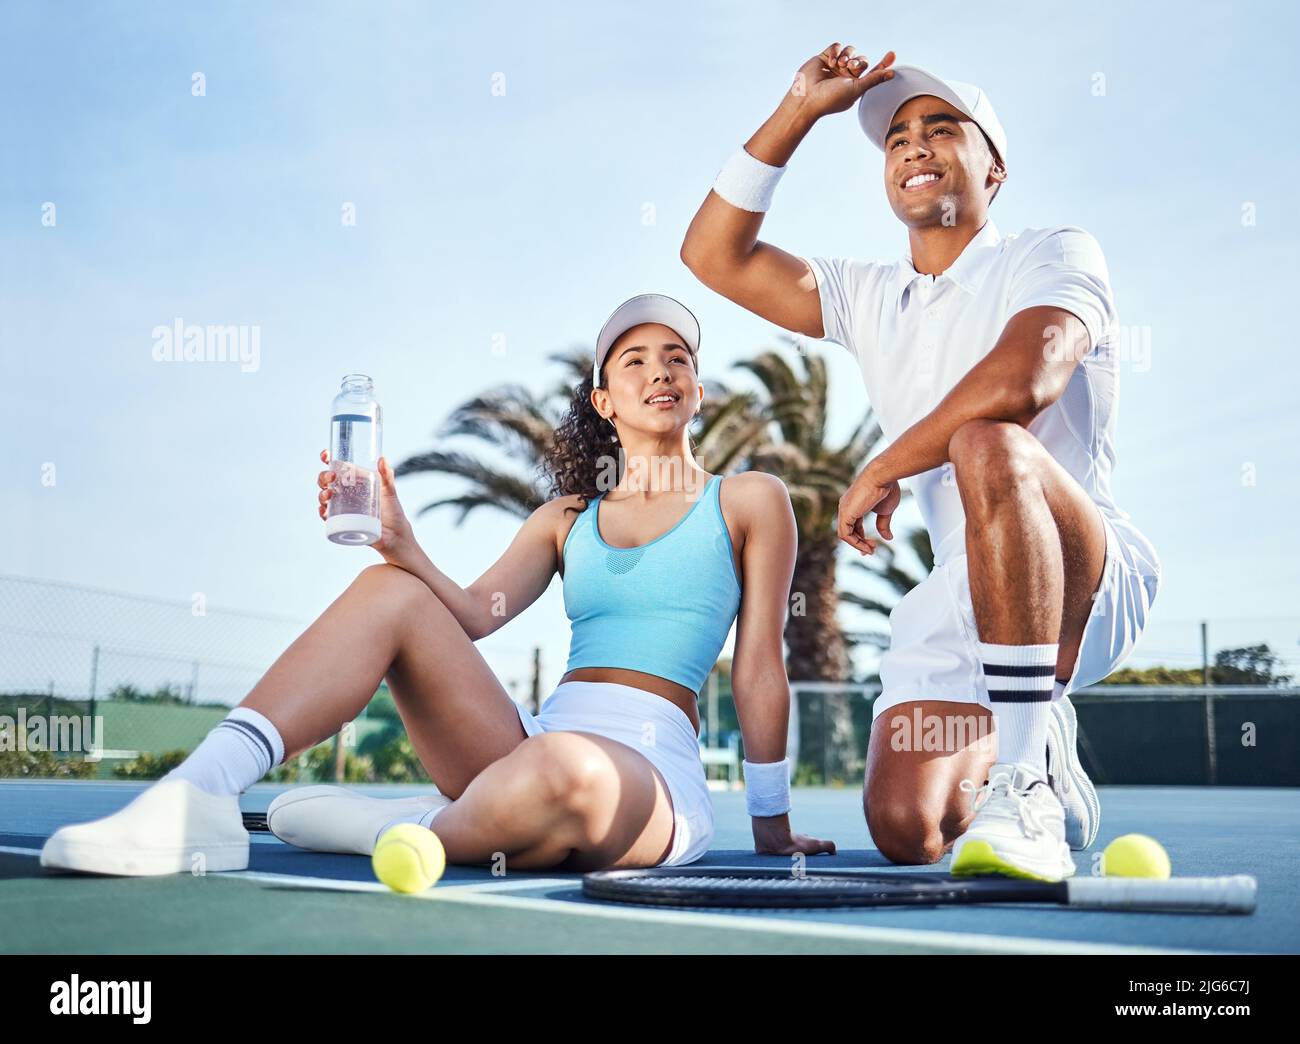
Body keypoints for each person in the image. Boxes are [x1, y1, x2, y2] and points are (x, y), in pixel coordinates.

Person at [40, 293, 834, 877]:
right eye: (636, 360)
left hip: (648, 775)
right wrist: (402, 542)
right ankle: (199, 792)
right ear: (604, 400)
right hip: (521, 746)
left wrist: (772, 823)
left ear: (696, 391)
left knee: (566, 773)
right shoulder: (566, 518)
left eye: (679, 360)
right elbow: (471, 616)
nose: (661, 371)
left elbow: (761, 665)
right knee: (392, 591)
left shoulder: (749, 499)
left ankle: (414, 824)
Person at [680, 45, 1160, 881]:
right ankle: (1041, 745)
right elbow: (713, 255)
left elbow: (1024, 381)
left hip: (1084, 575)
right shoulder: (868, 294)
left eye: (943, 130)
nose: (915, 147)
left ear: (995, 169)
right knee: (908, 828)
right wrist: (798, 109)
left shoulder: (1055, 252)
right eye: (898, 139)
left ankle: (1024, 784)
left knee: (988, 440)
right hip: (959, 594)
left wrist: (885, 464)